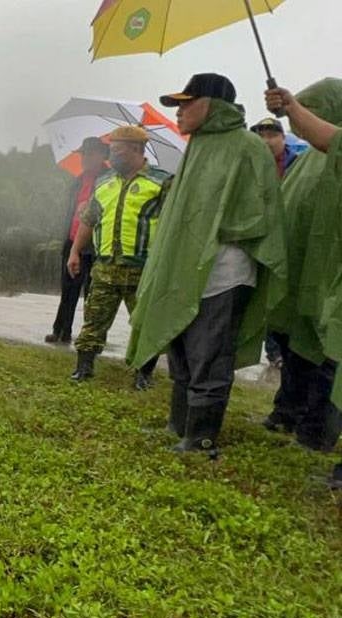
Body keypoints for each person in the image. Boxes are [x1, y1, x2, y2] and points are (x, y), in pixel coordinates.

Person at [127, 73, 287, 459]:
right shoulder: (197, 146)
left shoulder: (247, 146)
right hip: (184, 269)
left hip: (225, 273)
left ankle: (201, 438)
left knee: (210, 355)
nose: (179, 112)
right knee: (181, 347)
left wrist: (212, 228)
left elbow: (260, 213)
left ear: (212, 105)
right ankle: (179, 424)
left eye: (186, 103)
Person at [266, 80, 342, 487]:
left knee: (327, 354)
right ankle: (288, 412)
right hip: (300, 275)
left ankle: (318, 429)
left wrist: (293, 106)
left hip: (328, 279)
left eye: (315, 111)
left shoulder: (333, 155)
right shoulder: (308, 160)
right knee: (295, 346)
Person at [68, 126, 171, 389]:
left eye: (116, 150)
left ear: (136, 149)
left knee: (146, 325)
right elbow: (89, 219)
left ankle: (143, 374)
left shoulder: (162, 182)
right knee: (93, 320)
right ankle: (84, 367)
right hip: (105, 267)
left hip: (144, 269)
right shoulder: (104, 182)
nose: (111, 156)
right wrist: (75, 251)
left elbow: (175, 224)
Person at [46, 137, 110, 345]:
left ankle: (90, 337)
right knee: (68, 289)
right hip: (73, 241)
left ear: (102, 155)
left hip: (97, 246)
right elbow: (70, 210)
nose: (85, 158)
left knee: (93, 294)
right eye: (83, 154)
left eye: (90, 154)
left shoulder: (110, 181)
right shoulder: (78, 181)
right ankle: (61, 330)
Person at [251, 117, 298, 368]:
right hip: (259, 238)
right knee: (262, 296)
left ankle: (284, 349)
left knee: (282, 295)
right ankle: (273, 352)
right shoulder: (251, 165)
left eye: (271, 135)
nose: (266, 141)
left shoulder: (297, 165)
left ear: (282, 138)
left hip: (288, 240)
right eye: (261, 136)